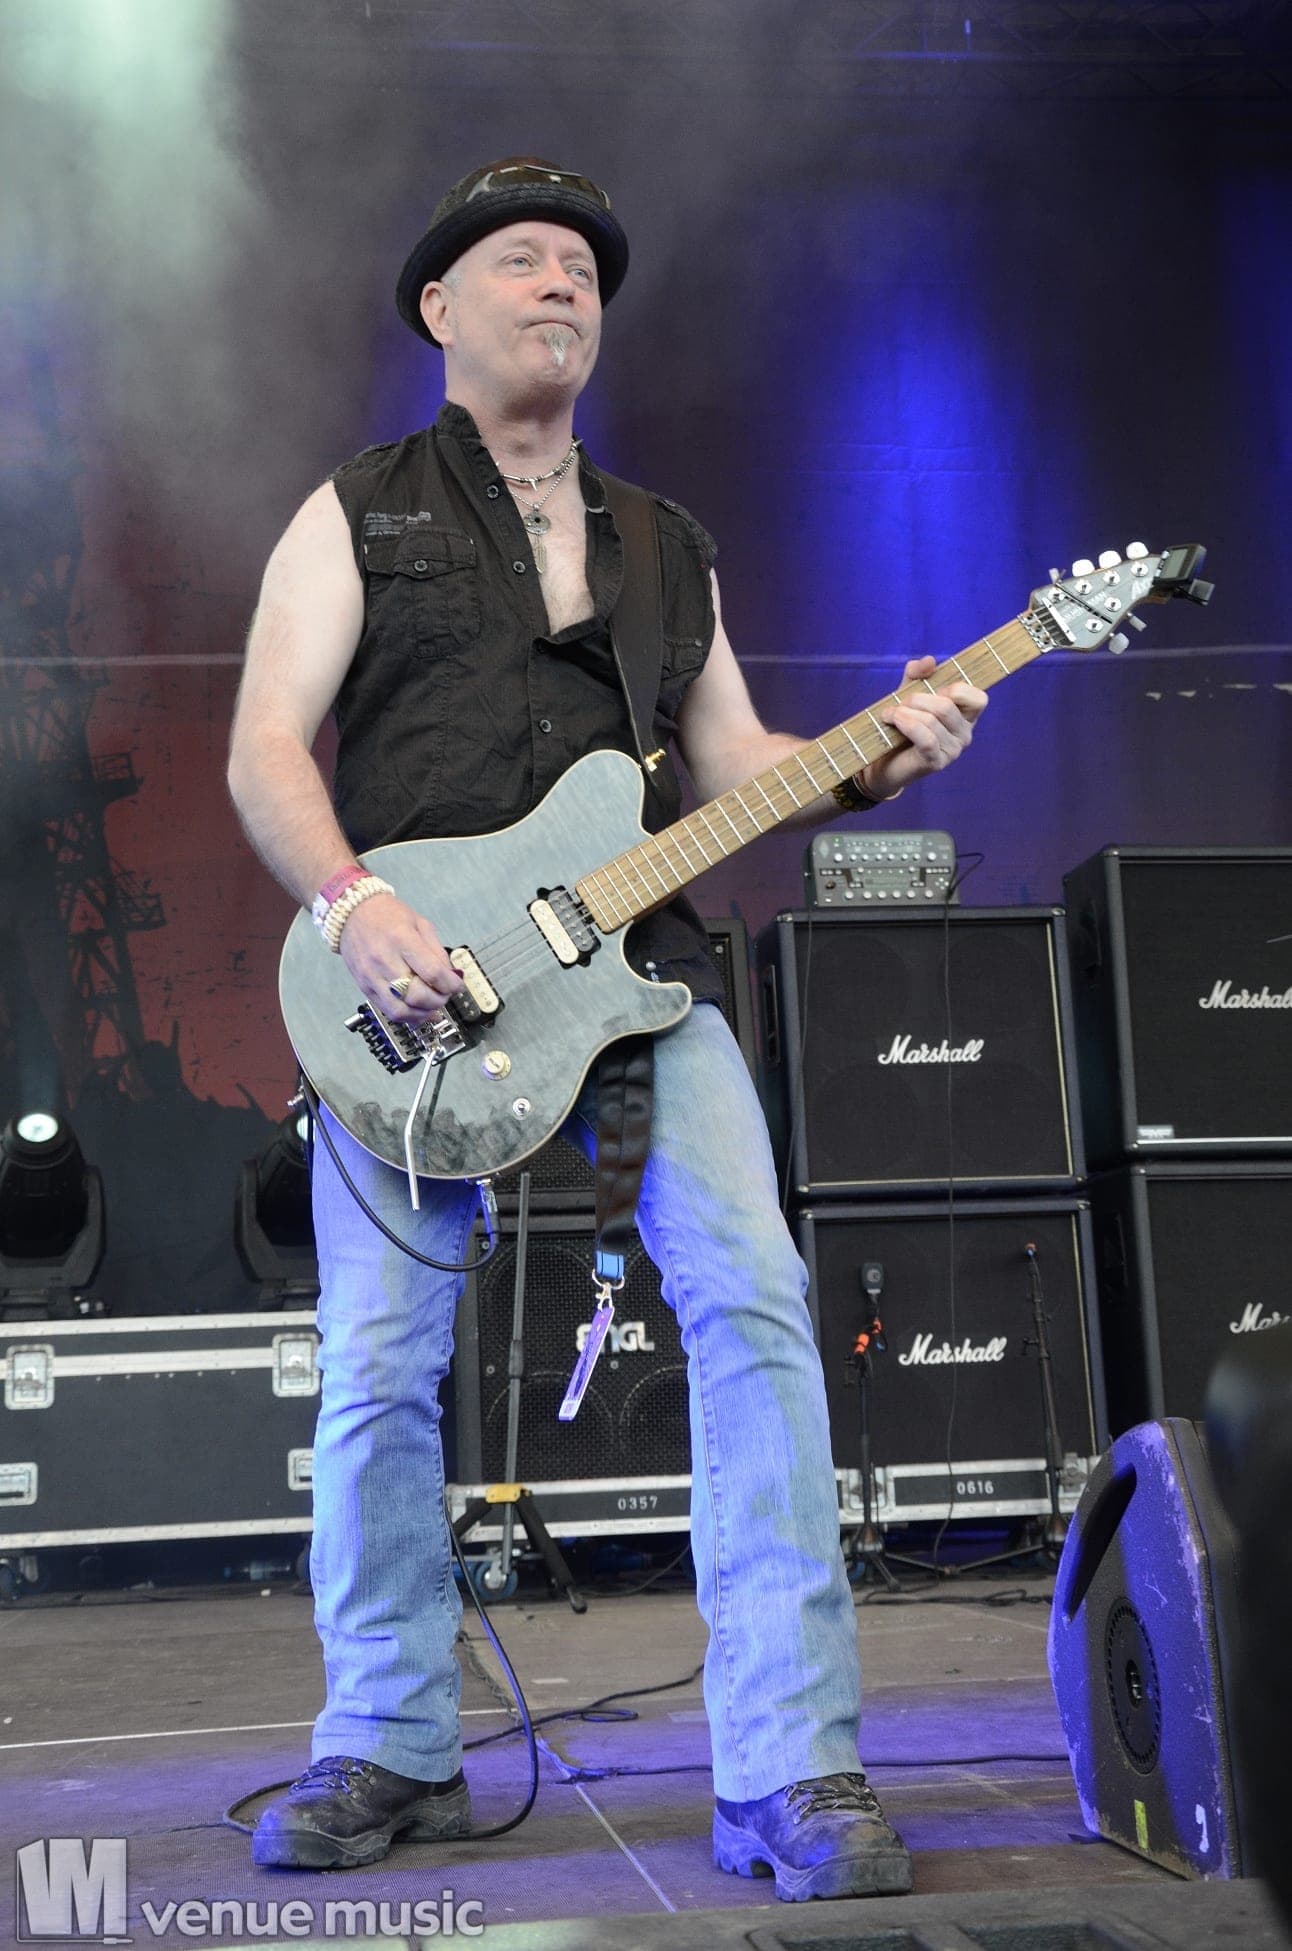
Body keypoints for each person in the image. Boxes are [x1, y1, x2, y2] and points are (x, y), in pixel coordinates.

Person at [227, 157, 987, 1901]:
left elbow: (738, 771)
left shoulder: (666, 544)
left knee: (758, 1308)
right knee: (378, 1369)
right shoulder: (358, 510)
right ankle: (391, 1741)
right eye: (523, 258)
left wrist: (882, 756)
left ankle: (789, 1767)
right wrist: (357, 908)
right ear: (442, 307)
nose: (562, 281)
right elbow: (267, 742)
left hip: (642, 978)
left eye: (580, 265)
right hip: (407, 992)